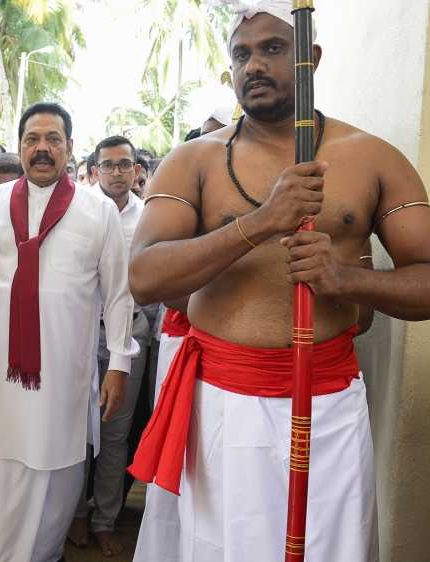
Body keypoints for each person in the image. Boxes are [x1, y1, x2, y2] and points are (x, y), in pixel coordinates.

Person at [129, 2, 430, 561]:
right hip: (221, 406)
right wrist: (261, 221)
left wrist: (345, 280)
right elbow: (144, 278)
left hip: (330, 407)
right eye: (241, 54)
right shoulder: (192, 161)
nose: (254, 66)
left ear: (310, 59)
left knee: (328, 549)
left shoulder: (371, 157)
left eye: (272, 48)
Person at [0, 102, 137, 562]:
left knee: (56, 477)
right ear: (19, 145)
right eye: (33, 139)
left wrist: (118, 365)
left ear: (70, 148)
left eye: (54, 139)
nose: (42, 149)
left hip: (64, 379)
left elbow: (118, 295)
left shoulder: (97, 210)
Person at [66, 136, 149, 557]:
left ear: (136, 170)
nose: (117, 172)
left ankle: (105, 520)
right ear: (94, 170)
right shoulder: (76, 209)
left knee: (116, 433)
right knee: (77, 429)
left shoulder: (151, 216)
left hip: (130, 335)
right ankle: (75, 512)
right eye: (108, 165)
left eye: (125, 164)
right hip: (78, 335)